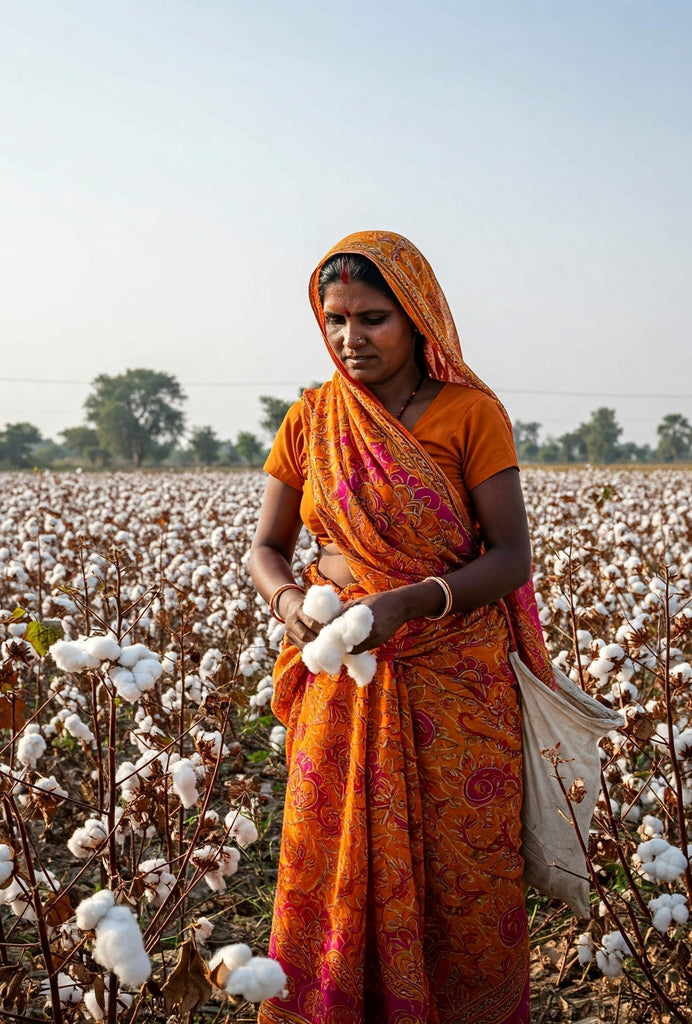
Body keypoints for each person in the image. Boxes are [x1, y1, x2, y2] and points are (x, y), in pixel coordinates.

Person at [250, 230, 552, 1024]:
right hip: (340, 673)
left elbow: (511, 557)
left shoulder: (471, 415)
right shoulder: (313, 419)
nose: (352, 338)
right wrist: (292, 609)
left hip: (456, 686)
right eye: (336, 318)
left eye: (374, 318)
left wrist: (405, 605)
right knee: (333, 863)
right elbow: (266, 549)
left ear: (419, 318)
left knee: (461, 878)